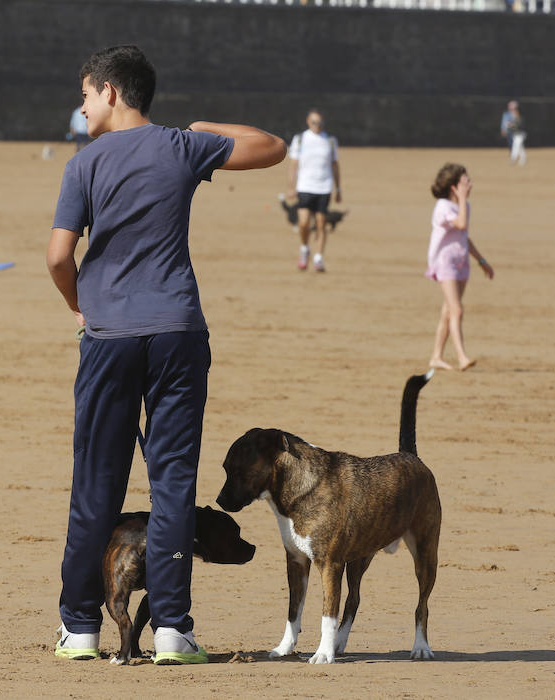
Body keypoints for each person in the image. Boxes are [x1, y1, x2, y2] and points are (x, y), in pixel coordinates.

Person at [46, 44, 285, 664]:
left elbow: (58, 256)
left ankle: (80, 627)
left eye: (85, 94)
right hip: (178, 332)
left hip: (109, 338)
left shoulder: (84, 164)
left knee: (95, 484)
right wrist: (203, 128)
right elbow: (271, 147)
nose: (82, 106)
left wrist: (80, 306)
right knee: (173, 481)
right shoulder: (182, 146)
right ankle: (173, 630)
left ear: (110, 91)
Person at [426, 163, 494, 371]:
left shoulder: (465, 207)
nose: (470, 185)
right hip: (444, 262)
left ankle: (436, 356)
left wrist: (482, 261)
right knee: (457, 309)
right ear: (454, 187)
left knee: (448, 311)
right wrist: (462, 199)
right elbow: (461, 224)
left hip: (461, 262)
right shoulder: (443, 207)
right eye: (466, 182)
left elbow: (464, 237)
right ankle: (462, 356)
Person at [286, 108, 342, 272]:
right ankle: (304, 248)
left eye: (320, 122)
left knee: (321, 223)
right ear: (308, 122)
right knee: (303, 222)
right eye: (314, 122)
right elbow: (293, 164)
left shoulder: (330, 141)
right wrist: (291, 186)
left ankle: (318, 257)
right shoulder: (300, 139)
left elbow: (335, 165)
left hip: (324, 187)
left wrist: (338, 189)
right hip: (305, 186)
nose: (317, 125)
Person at [500, 100, 526, 165]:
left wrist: (511, 125)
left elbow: (518, 125)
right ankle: (523, 159)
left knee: (515, 146)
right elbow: (510, 124)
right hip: (515, 134)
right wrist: (508, 127)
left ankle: (513, 159)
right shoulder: (509, 115)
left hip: (520, 134)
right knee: (520, 148)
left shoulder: (519, 118)